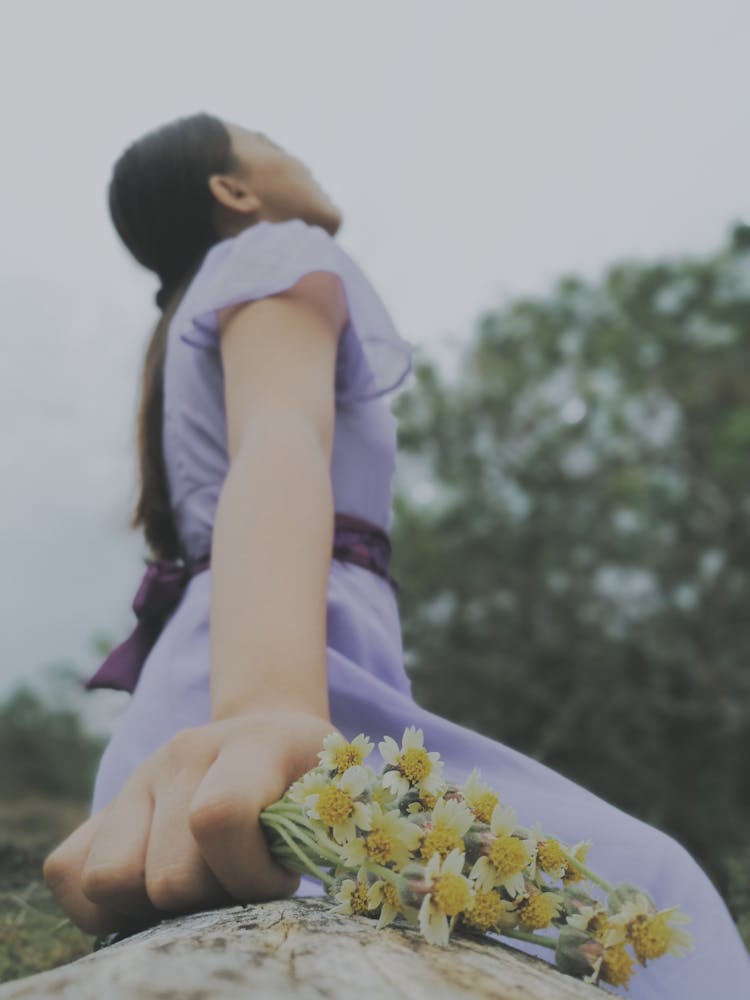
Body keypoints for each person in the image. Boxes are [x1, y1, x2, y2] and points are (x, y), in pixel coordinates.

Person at [42, 112, 750, 998]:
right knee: (653, 892)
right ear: (235, 191)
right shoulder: (277, 250)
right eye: (265, 135)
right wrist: (267, 709)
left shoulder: (208, 298)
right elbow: (279, 438)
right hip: (262, 701)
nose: (293, 144)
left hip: (201, 698)